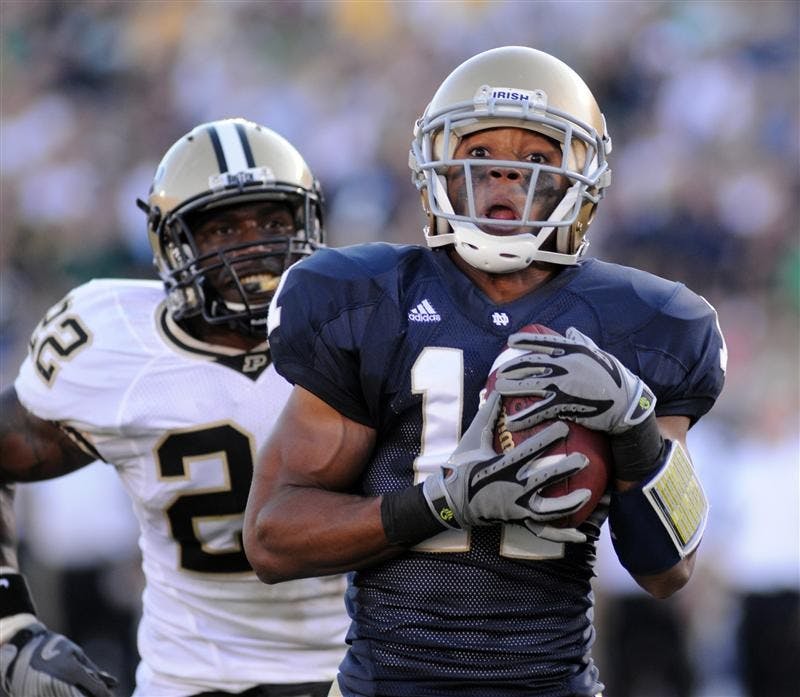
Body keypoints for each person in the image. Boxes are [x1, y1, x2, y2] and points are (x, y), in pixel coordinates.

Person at [242, 46, 727, 697]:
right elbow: (272, 539)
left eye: (536, 158)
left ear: (581, 179)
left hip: (551, 681)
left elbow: (669, 570)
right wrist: (442, 502)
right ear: (437, 166)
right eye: (480, 153)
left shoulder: (647, 320)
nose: (504, 173)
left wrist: (634, 423)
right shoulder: (368, 301)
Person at [0, 118, 350, 697]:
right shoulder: (111, 339)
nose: (255, 247)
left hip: (365, 667)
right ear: (173, 245)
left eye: (272, 222)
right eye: (224, 228)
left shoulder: (370, 324)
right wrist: (9, 624)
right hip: (193, 678)